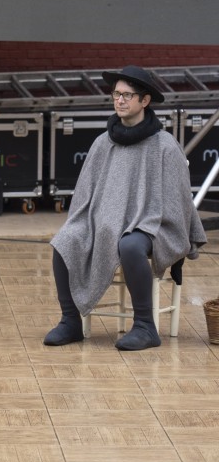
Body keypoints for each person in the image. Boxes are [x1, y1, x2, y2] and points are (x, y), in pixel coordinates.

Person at [45, 65, 206, 351]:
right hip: (104, 222)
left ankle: (145, 326)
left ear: (144, 101)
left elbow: (177, 203)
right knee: (65, 240)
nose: (120, 100)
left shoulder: (165, 146)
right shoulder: (102, 143)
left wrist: (138, 220)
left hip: (154, 224)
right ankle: (70, 321)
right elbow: (85, 197)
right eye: (116, 94)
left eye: (127, 95)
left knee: (131, 245)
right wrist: (100, 221)